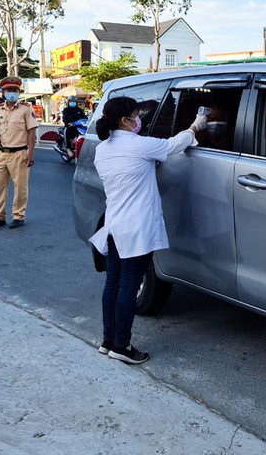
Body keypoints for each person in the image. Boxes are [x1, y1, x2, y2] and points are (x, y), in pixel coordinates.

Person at [89, 97, 207, 364]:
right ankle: (122, 345)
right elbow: (175, 144)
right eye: (135, 114)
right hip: (136, 228)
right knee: (129, 286)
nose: (138, 119)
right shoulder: (140, 145)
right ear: (124, 120)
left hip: (115, 224)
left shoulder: (103, 149)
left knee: (113, 284)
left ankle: (108, 341)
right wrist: (195, 126)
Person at [0, 76, 38, 230]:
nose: (12, 93)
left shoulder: (26, 109)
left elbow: (31, 133)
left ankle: (18, 216)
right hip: (0, 154)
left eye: (14, 90)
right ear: (3, 92)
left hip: (19, 153)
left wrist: (31, 154)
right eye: (9, 90)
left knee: (20, 187)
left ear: (18, 92)